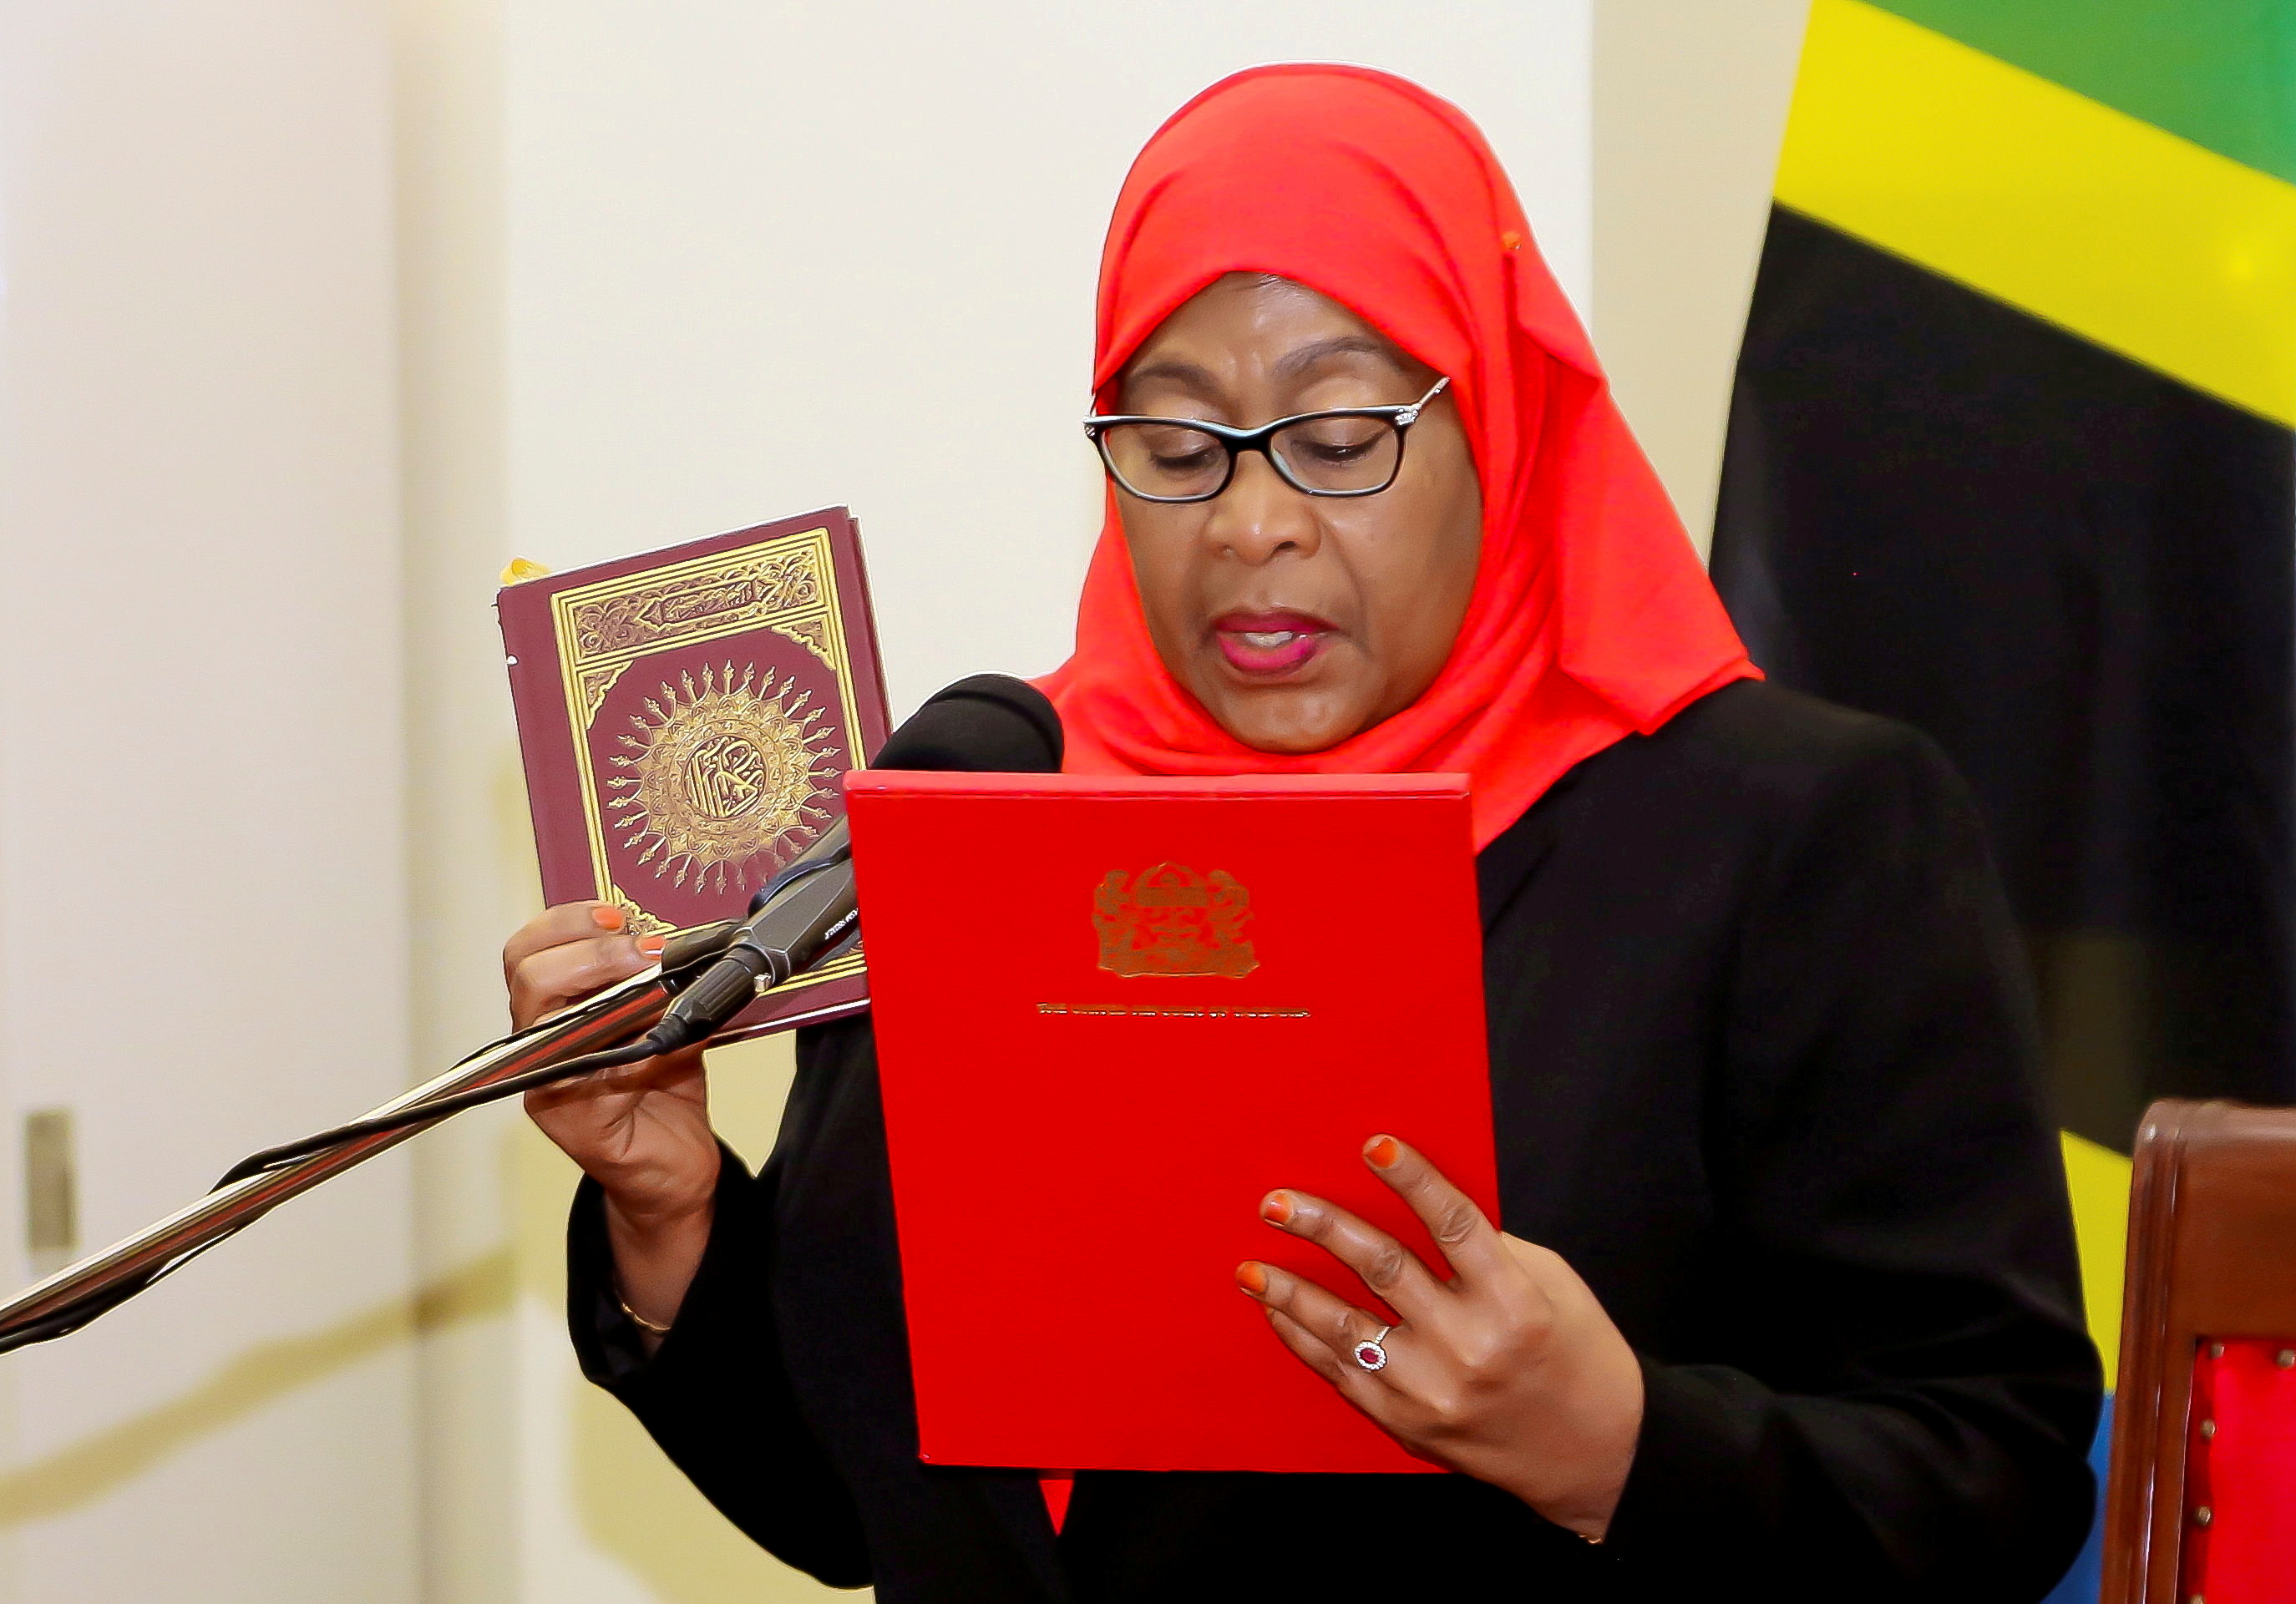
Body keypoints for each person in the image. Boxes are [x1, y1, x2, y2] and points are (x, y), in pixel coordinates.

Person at [502, 65, 2102, 1602]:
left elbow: (1998, 1474)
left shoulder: (1787, 834)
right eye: (1178, 446)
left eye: (1339, 442)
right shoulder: (981, 809)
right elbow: (846, 1505)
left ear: (1499, 425)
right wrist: (674, 1204)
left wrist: (1615, 1447)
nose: (1252, 522)